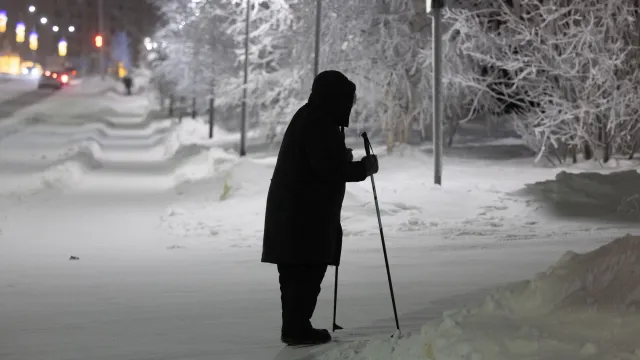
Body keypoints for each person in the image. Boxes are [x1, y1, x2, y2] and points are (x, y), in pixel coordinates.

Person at [261, 70, 379, 346]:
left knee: (296, 273)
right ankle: (297, 328)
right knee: (305, 271)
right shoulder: (318, 122)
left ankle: (295, 326)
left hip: (296, 213)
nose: (349, 106)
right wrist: (363, 168)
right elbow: (327, 168)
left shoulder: (312, 116)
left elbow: (318, 159)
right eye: (347, 100)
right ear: (334, 98)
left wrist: (341, 154)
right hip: (303, 216)